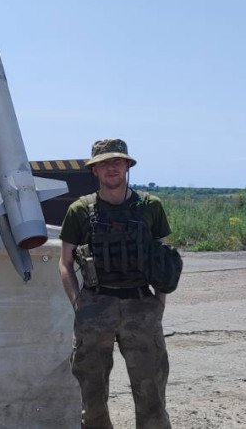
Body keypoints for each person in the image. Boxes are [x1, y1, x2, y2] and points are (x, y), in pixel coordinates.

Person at [58, 138, 172, 429]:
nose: (111, 168)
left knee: (152, 393)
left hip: (141, 305)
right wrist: (78, 304)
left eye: (117, 161)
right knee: (92, 395)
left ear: (127, 166)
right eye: (104, 163)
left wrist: (158, 302)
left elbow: (164, 257)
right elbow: (65, 262)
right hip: (96, 306)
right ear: (94, 170)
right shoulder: (80, 210)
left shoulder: (151, 207)